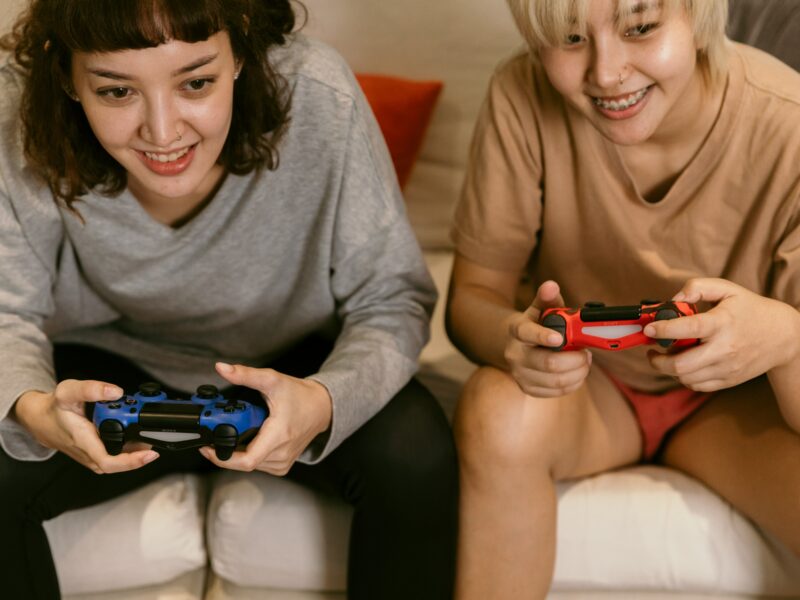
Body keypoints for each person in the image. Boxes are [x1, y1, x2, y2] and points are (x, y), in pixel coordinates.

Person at [0, 1, 458, 598]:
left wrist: (323, 402)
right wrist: (35, 411)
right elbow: (7, 311)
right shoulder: (15, 112)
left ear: (240, 52)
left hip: (293, 362)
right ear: (66, 77)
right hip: (105, 369)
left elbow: (392, 297)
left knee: (415, 454)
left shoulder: (317, 92)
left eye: (196, 82)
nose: (163, 132)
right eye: (116, 92)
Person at [446, 0, 800, 597]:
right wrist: (515, 342)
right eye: (570, 37)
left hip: (734, 406)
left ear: (700, 15)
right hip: (591, 390)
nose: (606, 72)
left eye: (640, 28)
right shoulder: (520, 93)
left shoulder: (787, 125)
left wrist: (786, 340)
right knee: (493, 410)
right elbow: (473, 298)